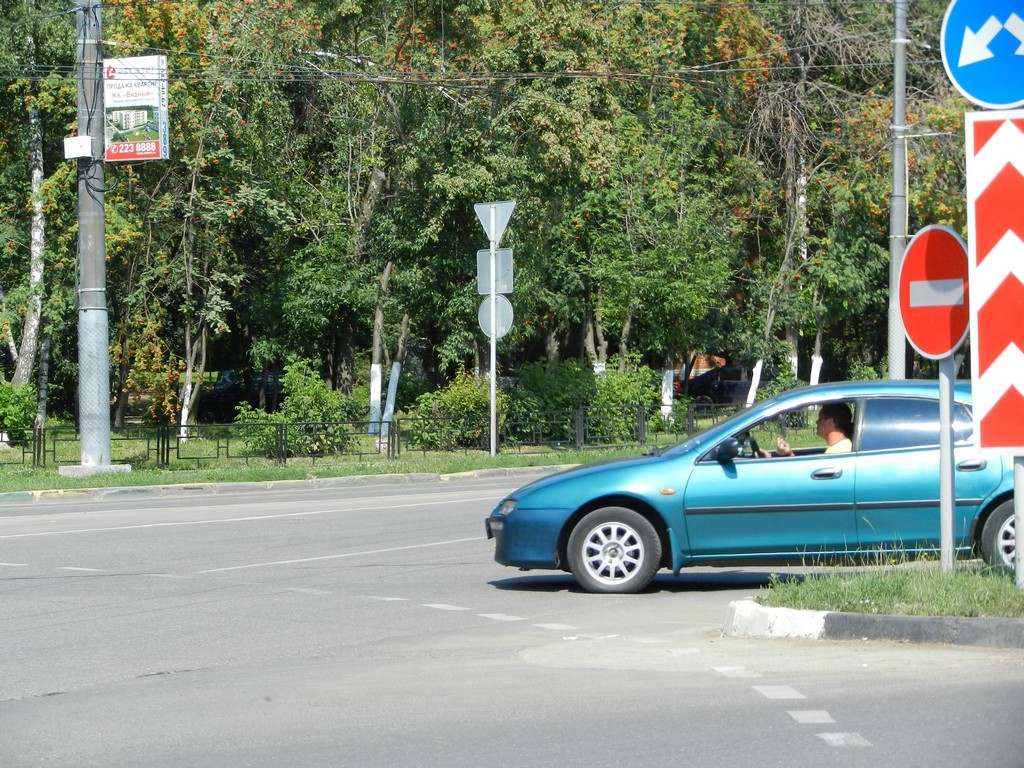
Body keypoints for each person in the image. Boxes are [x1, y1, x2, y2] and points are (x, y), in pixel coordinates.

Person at [762, 402, 853, 457]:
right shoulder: (838, 448)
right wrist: (789, 453)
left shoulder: (840, 452)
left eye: (820, 418)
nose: (816, 422)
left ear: (830, 422)